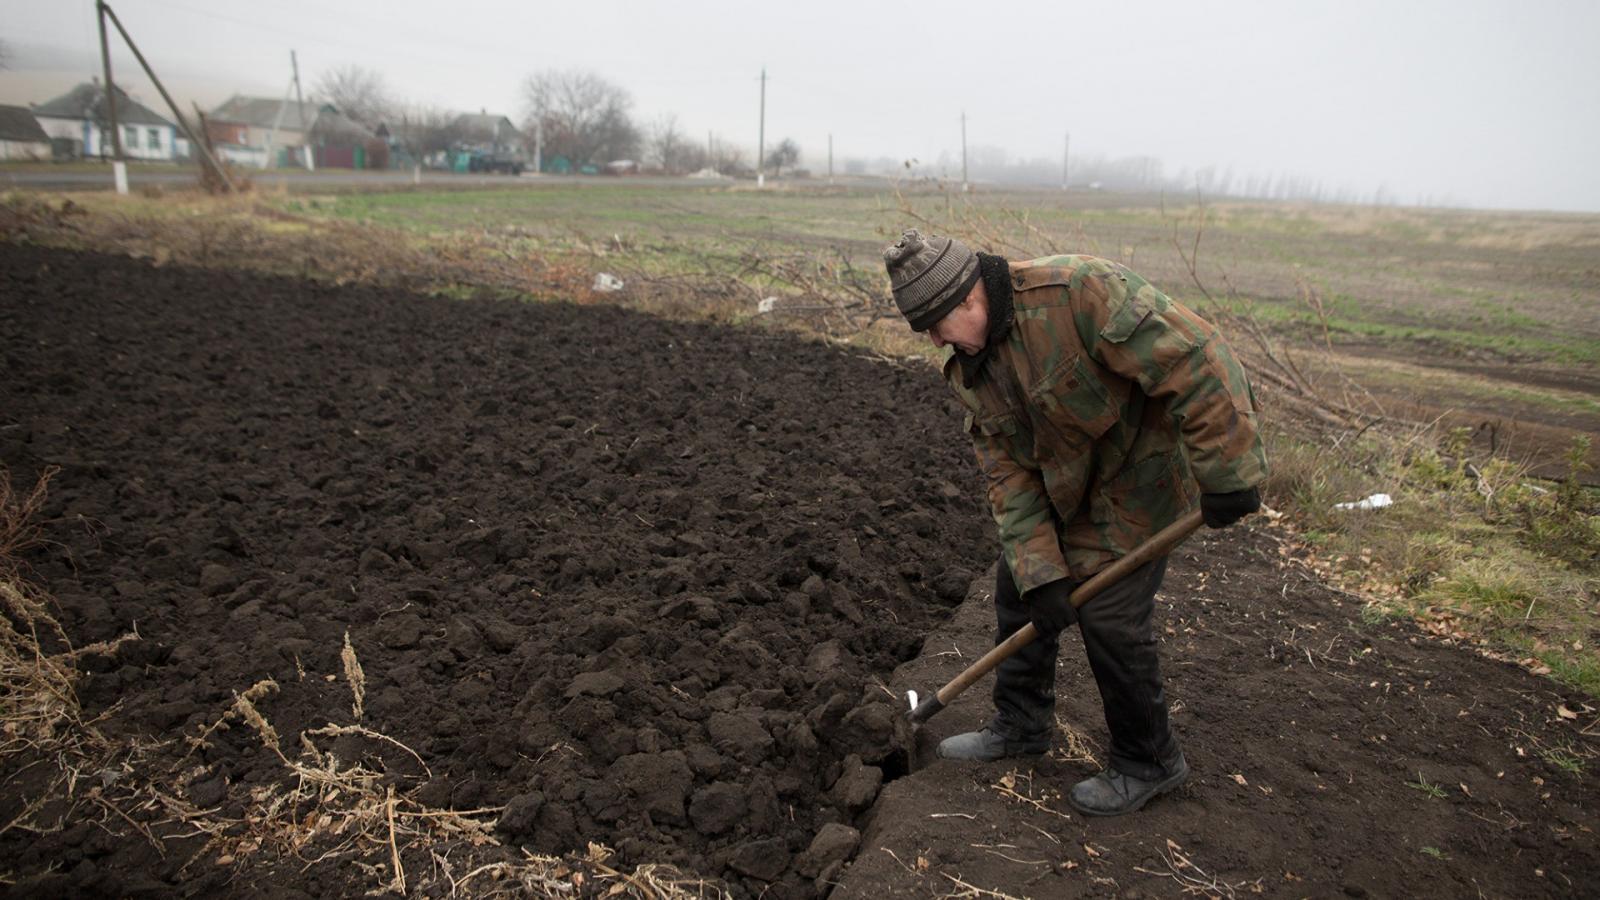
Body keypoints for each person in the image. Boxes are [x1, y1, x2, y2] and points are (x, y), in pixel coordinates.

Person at [882, 229, 1266, 817]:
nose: (935, 340)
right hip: (1072, 489)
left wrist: (1229, 471)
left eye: (936, 323)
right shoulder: (973, 369)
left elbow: (1195, 358)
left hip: (1143, 481)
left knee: (1108, 615)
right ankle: (1021, 724)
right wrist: (1041, 574)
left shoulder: (1080, 293)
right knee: (1019, 585)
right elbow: (1008, 477)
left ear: (967, 298)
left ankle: (1149, 761)